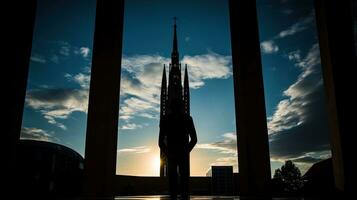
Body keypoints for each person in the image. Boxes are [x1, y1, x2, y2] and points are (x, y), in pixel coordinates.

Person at [159, 99, 197, 200]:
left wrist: (185, 152)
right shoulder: (166, 120)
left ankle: (181, 194)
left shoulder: (187, 119)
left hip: (179, 153)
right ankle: (175, 194)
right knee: (173, 176)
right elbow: (160, 141)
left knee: (183, 176)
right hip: (174, 153)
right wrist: (170, 153)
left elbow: (194, 139)